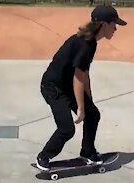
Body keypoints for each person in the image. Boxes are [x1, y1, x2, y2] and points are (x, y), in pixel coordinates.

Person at [35, 5, 127, 171]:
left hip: (66, 85)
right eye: (114, 24)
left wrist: (88, 101)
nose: (116, 29)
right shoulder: (84, 45)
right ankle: (44, 157)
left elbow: (84, 74)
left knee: (93, 115)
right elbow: (78, 78)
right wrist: (81, 108)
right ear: (104, 25)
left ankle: (88, 152)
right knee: (67, 129)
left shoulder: (90, 42)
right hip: (53, 88)